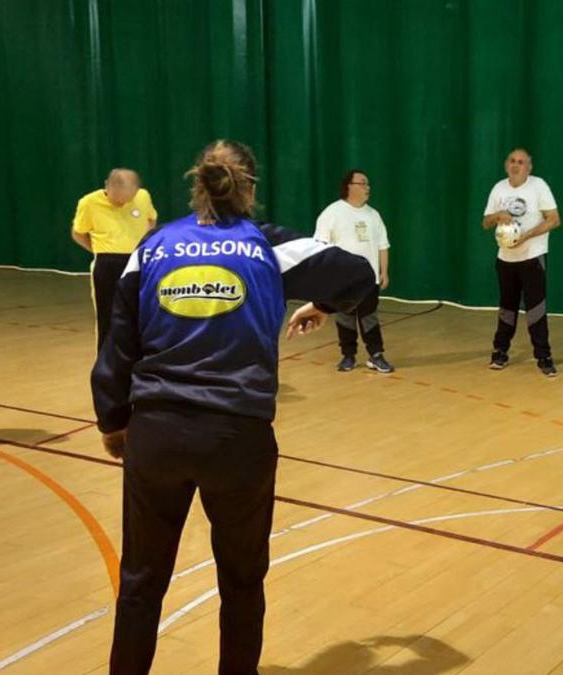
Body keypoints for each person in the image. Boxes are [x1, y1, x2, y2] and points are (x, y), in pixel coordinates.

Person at [92, 140, 376, 675]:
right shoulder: (269, 247)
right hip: (237, 441)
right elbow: (361, 278)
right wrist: (322, 303)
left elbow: (117, 345)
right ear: (249, 186)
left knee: (140, 583)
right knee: (242, 582)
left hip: (156, 434)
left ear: (197, 183)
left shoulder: (152, 246)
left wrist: (113, 421)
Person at [481, 148, 561, 377]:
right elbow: (485, 222)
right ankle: (500, 352)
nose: (516, 165)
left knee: (535, 308)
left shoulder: (538, 186)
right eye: (512, 161)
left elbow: (554, 219)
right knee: (507, 307)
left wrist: (525, 236)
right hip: (506, 258)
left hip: (532, 256)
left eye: (521, 162)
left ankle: (544, 357)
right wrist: (498, 216)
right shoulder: (499, 188)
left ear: (529, 167)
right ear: (507, 165)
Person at [314, 169, 394, 373]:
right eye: (363, 183)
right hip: (342, 280)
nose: (367, 187)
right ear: (349, 186)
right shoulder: (332, 212)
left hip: (368, 281)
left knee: (369, 317)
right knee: (344, 317)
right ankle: (348, 356)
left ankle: (376, 355)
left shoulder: (373, 215)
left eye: (368, 184)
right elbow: (320, 245)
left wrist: (383, 272)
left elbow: (383, 245)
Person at [72, 168, 158, 350]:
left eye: (128, 199)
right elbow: (78, 233)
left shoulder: (143, 197)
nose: (122, 203)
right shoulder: (89, 202)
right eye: (118, 199)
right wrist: (98, 250)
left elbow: (151, 220)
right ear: (108, 187)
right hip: (107, 263)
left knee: (141, 313)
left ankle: (141, 358)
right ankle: (106, 363)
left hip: (138, 262)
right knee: (108, 316)